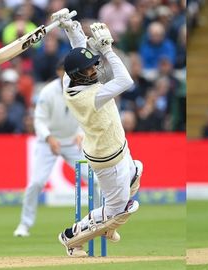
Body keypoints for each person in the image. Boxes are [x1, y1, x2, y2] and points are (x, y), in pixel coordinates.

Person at [52, 9, 142, 257]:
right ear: (79, 76)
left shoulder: (69, 81)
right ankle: (71, 239)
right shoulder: (92, 96)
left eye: (93, 66)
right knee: (121, 209)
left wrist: (71, 26)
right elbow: (126, 81)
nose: (94, 71)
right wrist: (107, 49)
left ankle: (108, 223)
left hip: (118, 146)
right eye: (90, 70)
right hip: (107, 157)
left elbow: (79, 51)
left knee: (136, 173)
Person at [13, 61, 100, 237]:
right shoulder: (47, 92)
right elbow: (39, 120)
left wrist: (79, 132)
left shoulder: (80, 89)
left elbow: (85, 115)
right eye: (63, 72)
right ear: (58, 71)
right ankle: (24, 225)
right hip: (48, 144)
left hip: (72, 144)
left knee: (95, 180)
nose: (66, 75)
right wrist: (48, 137)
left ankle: (99, 220)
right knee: (35, 183)